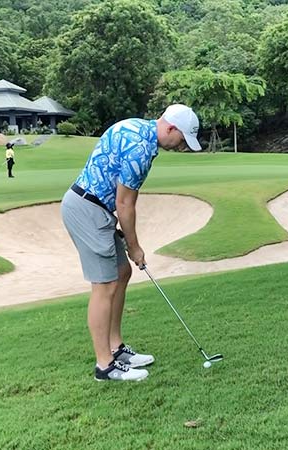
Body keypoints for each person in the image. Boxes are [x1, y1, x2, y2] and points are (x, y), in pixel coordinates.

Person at [61, 104, 202, 382]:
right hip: (87, 209)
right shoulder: (141, 150)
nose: (182, 146)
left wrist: (126, 239)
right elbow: (125, 204)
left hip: (94, 207)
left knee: (122, 272)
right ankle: (105, 365)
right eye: (182, 139)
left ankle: (116, 348)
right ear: (171, 128)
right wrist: (134, 247)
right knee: (105, 285)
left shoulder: (135, 126)